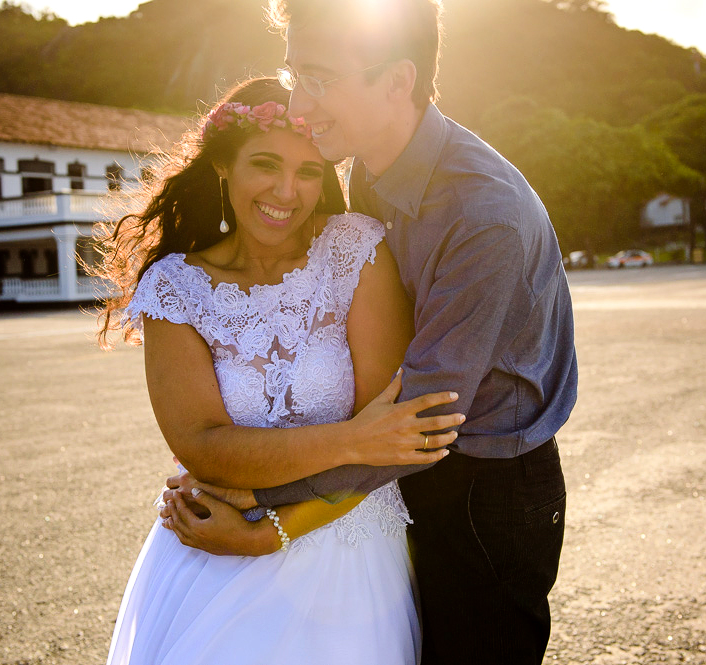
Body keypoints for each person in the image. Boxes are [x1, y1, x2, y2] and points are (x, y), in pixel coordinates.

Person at [170, 0, 578, 665]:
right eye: (295, 74)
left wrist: (259, 508)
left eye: (320, 79)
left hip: (486, 490)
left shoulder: (486, 217)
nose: (299, 103)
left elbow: (416, 421)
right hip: (397, 482)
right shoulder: (362, 168)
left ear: (397, 82)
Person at [95, 77, 463, 665]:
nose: (287, 192)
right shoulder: (174, 287)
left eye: (310, 172)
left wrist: (275, 528)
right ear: (222, 168)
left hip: (348, 548)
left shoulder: (355, 250)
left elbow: (394, 438)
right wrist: (353, 439)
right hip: (212, 551)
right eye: (265, 165)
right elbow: (203, 448)